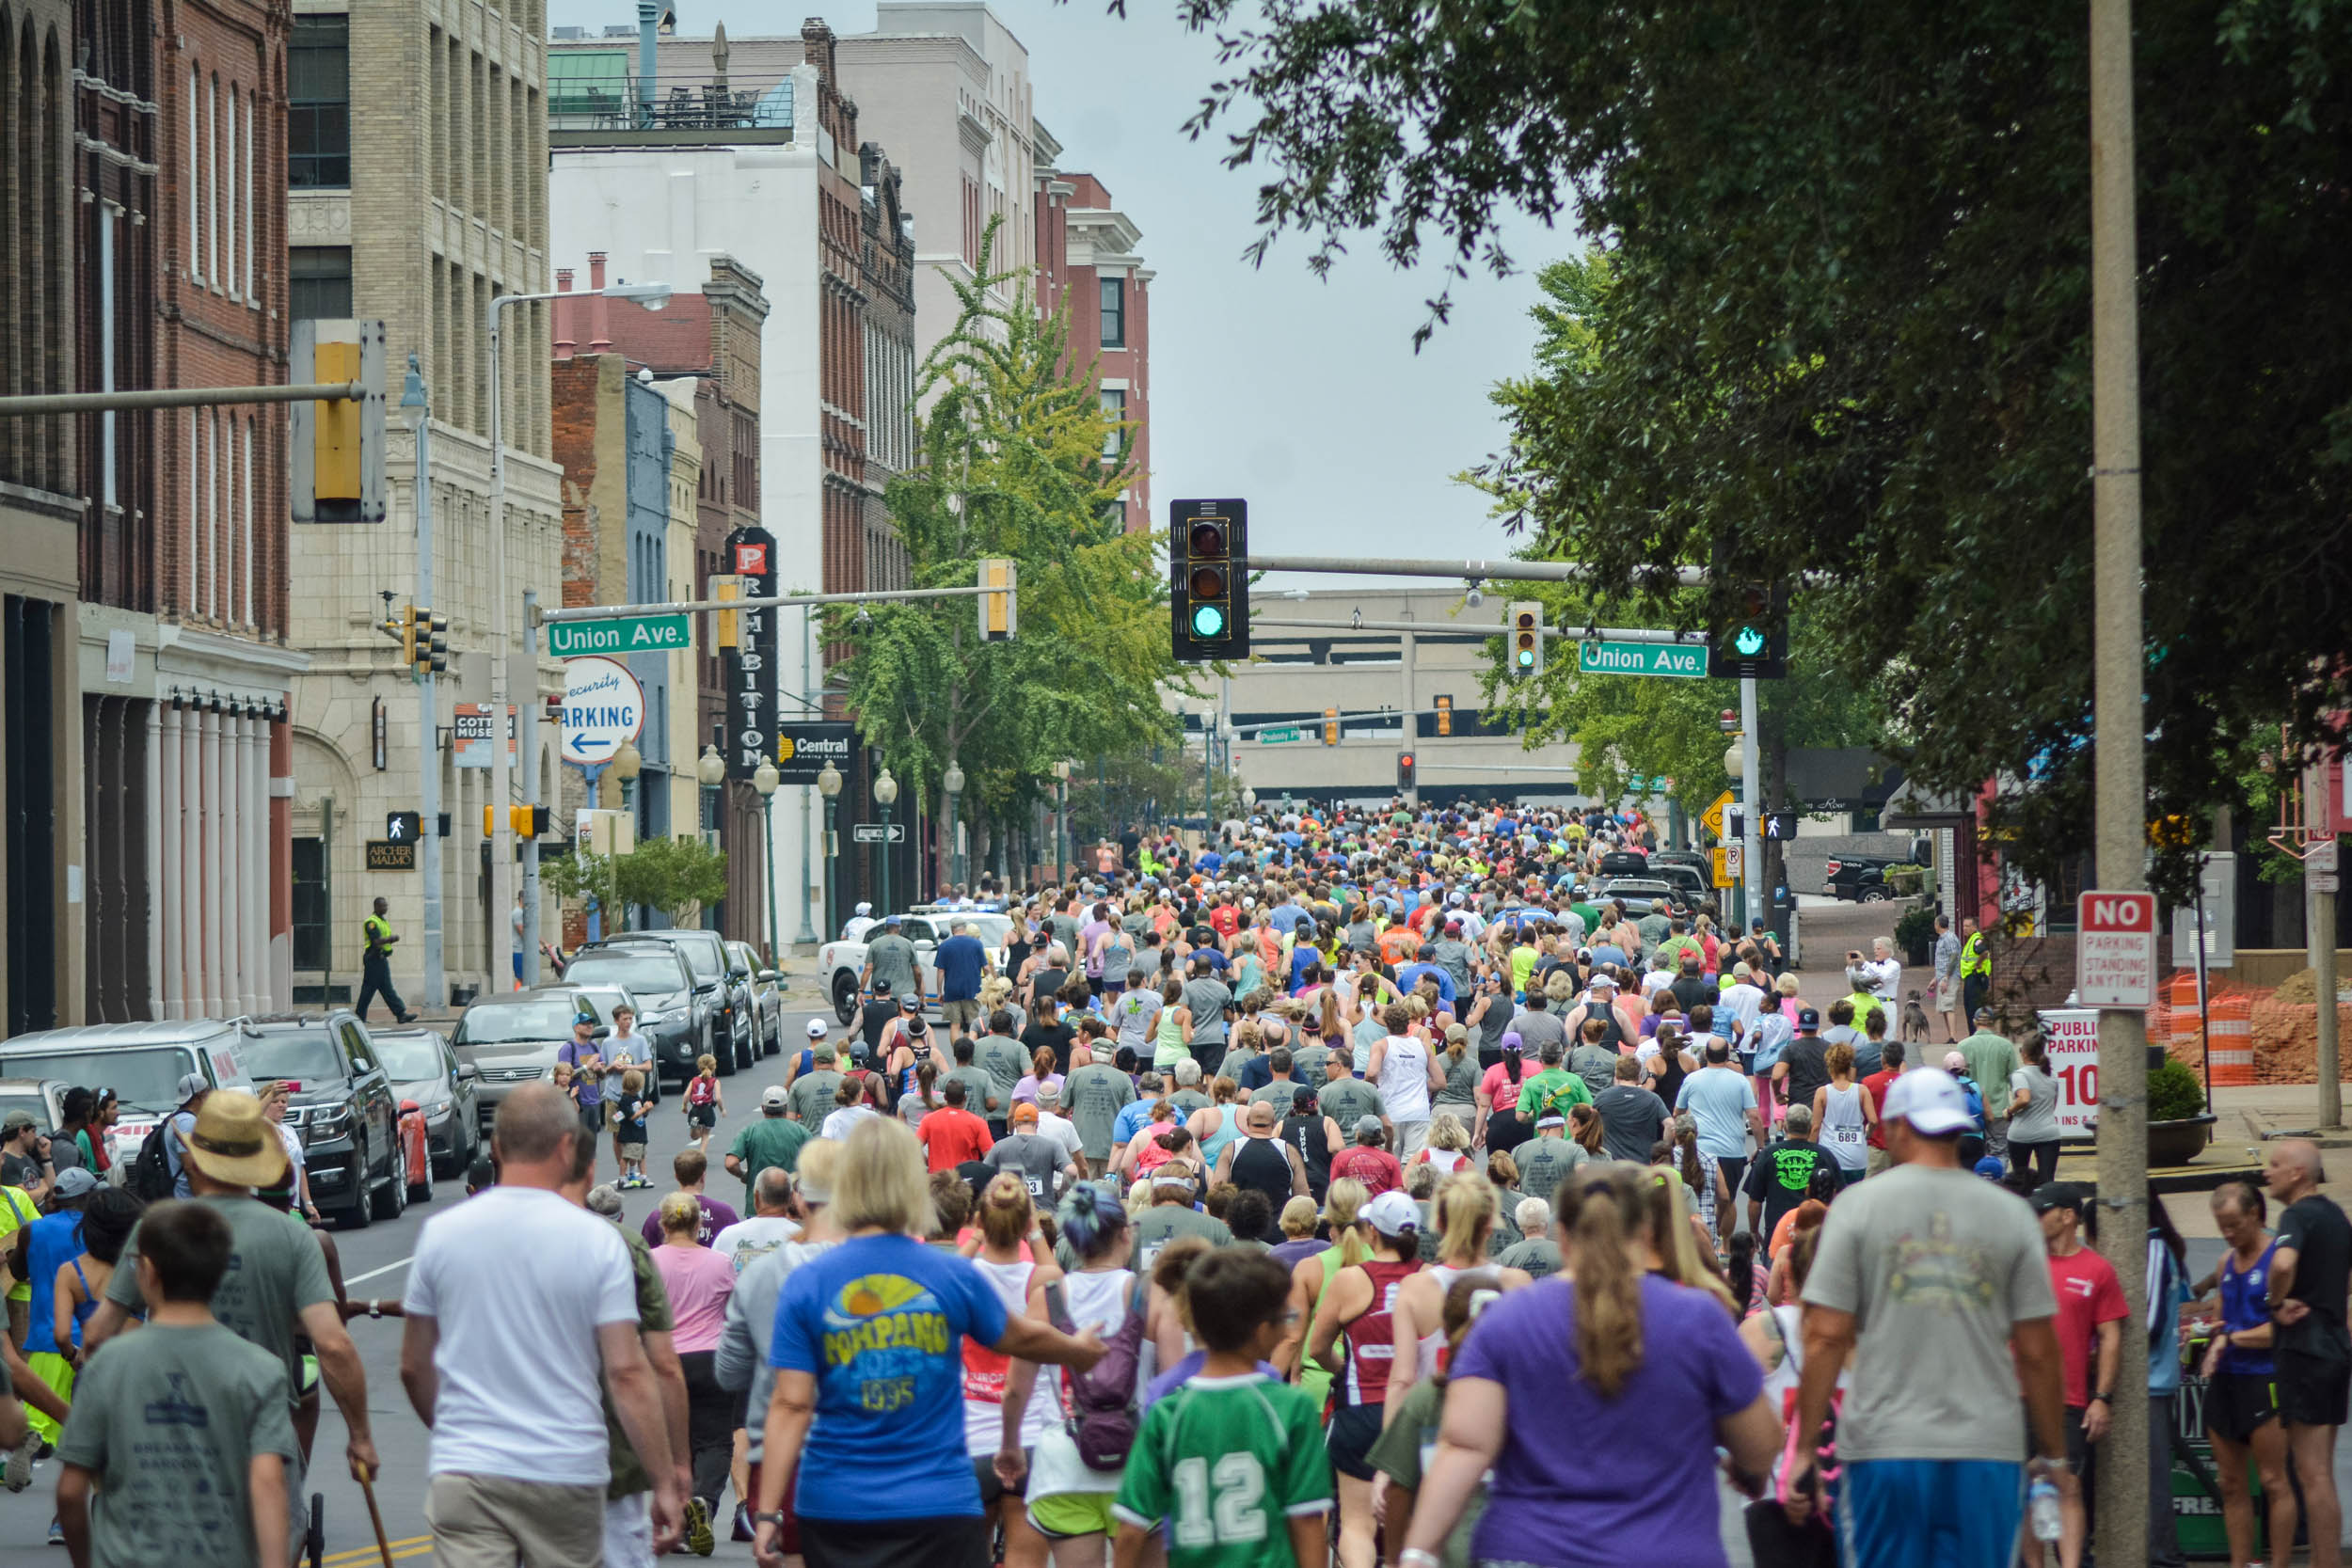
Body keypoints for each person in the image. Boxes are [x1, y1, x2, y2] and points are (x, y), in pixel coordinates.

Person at [748, 1117, 1104, 1568]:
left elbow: (791, 1405)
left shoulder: (807, 1283)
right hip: (937, 1501)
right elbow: (1019, 1337)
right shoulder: (948, 1273)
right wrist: (1081, 1350)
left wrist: (767, 1513)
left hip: (838, 1502)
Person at [1396, 1164, 1779, 1568]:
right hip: (1667, 1550)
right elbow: (1760, 1446)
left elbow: (1465, 1447)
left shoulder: (1506, 1320)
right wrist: (1741, 1465)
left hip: (1529, 1551)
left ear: (1562, 1237)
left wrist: (1419, 1552)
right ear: (1646, 1232)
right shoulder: (1699, 1318)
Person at [1787, 1067, 2072, 1568]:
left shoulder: (1857, 1208)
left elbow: (1825, 1338)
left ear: (1896, 1128)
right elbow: (2038, 1350)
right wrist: (2052, 1453)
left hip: (1884, 1448)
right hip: (1987, 1450)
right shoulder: (2011, 1215)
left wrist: (1807, 1450)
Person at [83, 1089, 377, 1553]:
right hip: (262, 1426)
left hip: (166, 1433)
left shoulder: (156, 1228)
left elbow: (99, 1334)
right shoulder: (293, 1238)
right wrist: (360, 1436)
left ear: (195, 1161)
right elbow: (334, 1347)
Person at [400, 1083, 680, 1564]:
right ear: (567, 1146)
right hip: (565, 1467)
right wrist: (665, 1480)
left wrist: (454, 1432)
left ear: (497, 1147)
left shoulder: (442, 1234)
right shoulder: (597, 1241)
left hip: (468, 1469)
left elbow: (413, 1365)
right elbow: (628, 1373)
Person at [54, 1200, 300, 1568]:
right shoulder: (263, 1371)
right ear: (220, 1274)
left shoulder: (106, 1365)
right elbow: (268, 1485)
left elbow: (71, 1492)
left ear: (148, 1272)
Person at [1112, 1249, 1331, 1568]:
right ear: (1259, 1330)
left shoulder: (1167, 1414)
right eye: (1283, 1319)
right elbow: (1307, 1522)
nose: (1287, 1330)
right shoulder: (1289, 1407)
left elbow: (1131, 1528)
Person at [715, 1141, 845, 1561]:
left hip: (783, 1447)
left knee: (792, 1553)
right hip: (862, 1445)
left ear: (799, 1198)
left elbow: (731, 1373)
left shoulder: (764, 1273)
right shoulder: (877, 1266)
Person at [1016, 1186, 1141, 1560]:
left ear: (1070, 1240)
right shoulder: (1146, 1294)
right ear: (1125, 1234)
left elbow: (1016, 1388)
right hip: (1136, 1463)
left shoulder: (1048, 1298)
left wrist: (1010, 1443)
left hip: (1063, 1464)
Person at [1307, 1190, 1425, 1568]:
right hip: (1414, 1415)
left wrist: (1343, 1369)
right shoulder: (1429, 1278)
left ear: (1371, 1232)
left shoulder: (1350, 1280)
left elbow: (1317, 1347)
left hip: (1361, 1409)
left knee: (1357, 1525)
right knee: (1412, 1525)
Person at [2024, 1181, 2126, 1568]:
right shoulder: (2025, 1262)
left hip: (2067, 1396)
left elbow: (2110, 1337)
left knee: (2066, 1483)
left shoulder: (2096, 1269)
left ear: (2068, 1217)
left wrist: (2103, 1398)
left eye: (2042, 1211)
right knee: (2023, 1487)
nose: (2034, 1219)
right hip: (2016, 1394)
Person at [2196, 1180, 2295, 1568]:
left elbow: (2282, 1330)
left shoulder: (2277, 1260)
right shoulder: (2225, 1262)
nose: (2229, 1234)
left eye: (2235, 1225)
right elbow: (2220, 1321)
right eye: (2222, 1227)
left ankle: (2280, 1562)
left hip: (2265, 1379)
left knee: (2272, 1480)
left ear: (2255, 1214)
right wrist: (2204, 1333)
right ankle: (2241, 1561)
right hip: (2226, 1380)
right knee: (2231, 1484)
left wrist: (2231, 1337)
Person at [2263, 1137, 2351, 1568]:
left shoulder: (2295, 1215)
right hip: (2334, 1348)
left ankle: (2327, 1563)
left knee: (2311, 1473)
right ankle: (2326, 1559)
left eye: (2275, 1164)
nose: (2267, 1172)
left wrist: (2276, 1302)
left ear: (2298, 1173)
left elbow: (2282, 1264)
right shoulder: (2337, 1216)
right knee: (2322, 1471)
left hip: (2304, 1351)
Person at [652, 1191, 741, 1552]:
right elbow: (735, 1312)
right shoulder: (720, 1263)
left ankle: (677, 1515)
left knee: (676, 1442)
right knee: (716, 1439)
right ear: (698, 1224)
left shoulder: (650, 1261)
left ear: (663, 1224)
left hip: (666, 1361)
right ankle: (704, 1499)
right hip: (711, 1359)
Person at [1677, 1037, 1762, 1200]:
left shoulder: (1691, 1079)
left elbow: (1677, 1113)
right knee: (1728, 1201)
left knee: (1699, 1198)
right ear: (1727, 1056)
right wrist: (1760, 1147)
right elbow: (1754, 1116)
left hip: (1699, 1149)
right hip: (1732, 1151)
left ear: (1706, 1055)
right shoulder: (1740, 1081)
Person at [1744, 1104, 1830, 1251]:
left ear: (1785, 1127)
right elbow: (1838, 1196)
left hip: (1776, 1237)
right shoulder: (1825, 1155)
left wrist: (1753, 1231)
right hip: (1815, 1239)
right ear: (1810, 1128)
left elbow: (1754, 1201)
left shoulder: (1767, 1154)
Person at [639, 1148, 740, 1250]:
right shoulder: (725, 1213)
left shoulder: (657, 1217)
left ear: (676, 1177)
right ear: (703, 1177)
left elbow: (645, 1256)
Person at [712, 1167, 803, 1275]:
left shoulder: (727, 1236)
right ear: (791, 1197)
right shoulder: (803, 1239)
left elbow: (712, 1278)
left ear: (756, 1197)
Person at [726, 1085, 813, 1197]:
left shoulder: (750, 1131)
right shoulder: (801, 1131)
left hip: (758, 1202)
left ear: (763, 1108)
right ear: (786, 1107)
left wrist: (744, 1176)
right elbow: (815, 1162)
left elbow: (730, 1163)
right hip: (791, 1200)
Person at [1811, 1040, 1876, 1188]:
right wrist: (1867, 1135)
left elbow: (1815, 1127)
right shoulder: (1862, 1090)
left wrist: (1810, 1150)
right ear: (1849, 1067)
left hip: (1830, 1155)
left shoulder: (1822, 1092)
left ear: (1830, 1066)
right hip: (1856, 1158)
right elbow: (1873, 1120)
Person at [1591, 1053, 1669, 1164]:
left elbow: (1589, 1124)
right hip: (1642, 1166)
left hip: (1611, 1166)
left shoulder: (1602, 1097)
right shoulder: (1653, 1099)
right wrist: (1663, 1152)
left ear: (1616, 1074)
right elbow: (1670, 1125)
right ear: (1639, 1075)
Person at [2007, 1033, 2062, 1186]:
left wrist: (2010, 1111)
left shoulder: (2020, 1075)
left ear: (2024, 1054)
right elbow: (2053, 1105)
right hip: (2049, 1133)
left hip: (2021, 1134)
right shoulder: (2051, 1075)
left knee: (2020, 1182)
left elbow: (2024, 1098)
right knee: (2047, 1182)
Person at [357, 895, 416, 1023]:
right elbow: (376, 941)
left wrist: (389, 942)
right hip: (373, 959)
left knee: (386, 988)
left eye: (386, 905)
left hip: (381, 959)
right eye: (383, 905)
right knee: (369, 989)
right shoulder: (371, 923)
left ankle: (400, 1014)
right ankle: (359, 1017)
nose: (386, 908)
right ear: (376, 907)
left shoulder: (382, 921)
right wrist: (392, 938)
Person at [917, 1078, 996, 1173]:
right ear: (965, 1098)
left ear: (945, 1097)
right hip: (965, 1180)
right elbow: (990, 1156)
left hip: (938, 1180)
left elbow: (914, 1147)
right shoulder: (978, 1122)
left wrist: (927, 1162)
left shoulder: (928, 1120)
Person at [935, 920, 992, 1037]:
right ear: (965, 929)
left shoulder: (944, 946)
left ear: (952, 929)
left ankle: (958, 1053)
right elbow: (986, 968)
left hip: (952, 991)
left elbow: (941, 971)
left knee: (955, 1025)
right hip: (973, 989)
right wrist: (990, 985)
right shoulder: (976, 944)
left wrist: (939, 992)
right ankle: (969, 1052)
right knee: (972, 1024)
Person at [683, 1052, 725, 1155]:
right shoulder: (715, 1081)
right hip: (707, 1111)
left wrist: (684, 1106)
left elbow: (686, 1096)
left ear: (699, 1066)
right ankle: (701, 1154)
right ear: (714, 1067)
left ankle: (694, 1127)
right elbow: (718, 1098)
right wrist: (722, 1109)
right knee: (705, 1135)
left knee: (694, 1135)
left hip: (695, 1110)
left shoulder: (694, 1080)